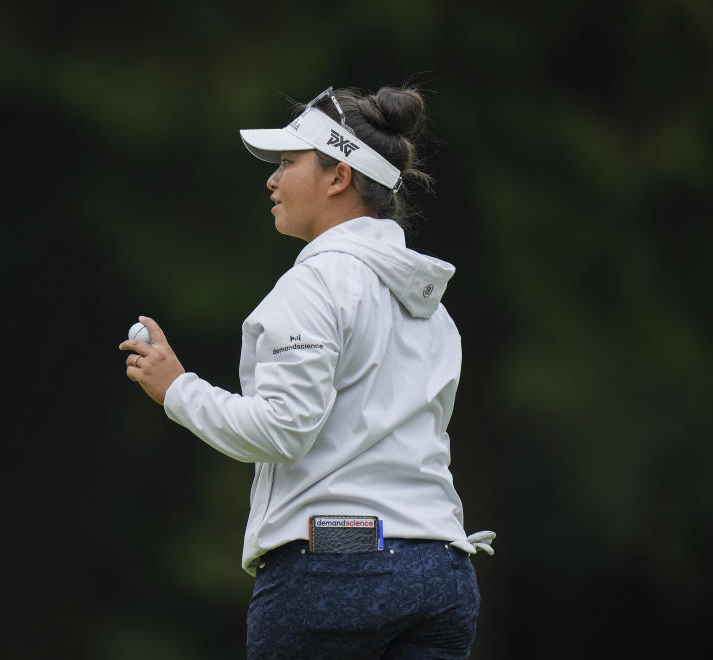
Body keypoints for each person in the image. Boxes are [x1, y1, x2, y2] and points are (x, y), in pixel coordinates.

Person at [119, 84, 494, 660]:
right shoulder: (432, 306)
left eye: (288, 162)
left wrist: (177, 389)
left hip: (337, 563)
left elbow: (282, 430)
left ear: (338, 176)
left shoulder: (315, 283)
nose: (272, 179)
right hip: (440, 567)